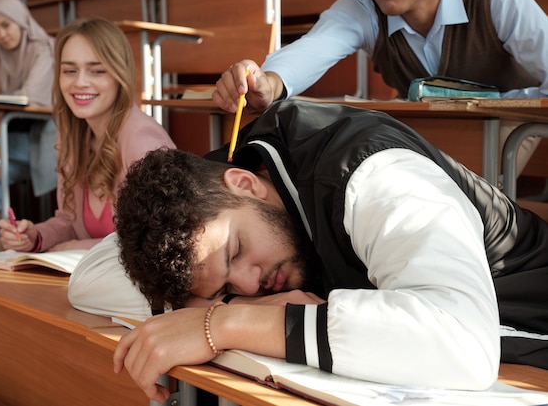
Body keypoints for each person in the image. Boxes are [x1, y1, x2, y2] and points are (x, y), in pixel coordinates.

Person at [111, 99, 548, 403]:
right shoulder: (217, 192)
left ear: (244, 183)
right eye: (225, 286)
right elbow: (95, 274)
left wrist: (226, 321)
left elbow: (464, 346)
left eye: (236, 252)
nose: (248, 284)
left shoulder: (375, 178)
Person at [212, 0, 548, 177]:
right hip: (431, 142)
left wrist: (502, 102)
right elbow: (314, 48)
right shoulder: (365, 5)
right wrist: (267, 82)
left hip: (508, 133)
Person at [0, 17, 175, 252]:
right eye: (69, 70)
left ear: (118, 76)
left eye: (97, 71)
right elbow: (68, 222)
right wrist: (36, 236)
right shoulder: (72, 135)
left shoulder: (144, 141)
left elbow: (161, 236)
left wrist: (81, 248)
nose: (80, 82)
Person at [0, 0, 58, 232]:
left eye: (6, 25)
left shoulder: (44, 49)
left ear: (21, 22)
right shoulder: (7, 59)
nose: (1, 34)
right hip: (21, 134)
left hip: (47, 136)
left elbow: (30, 98)